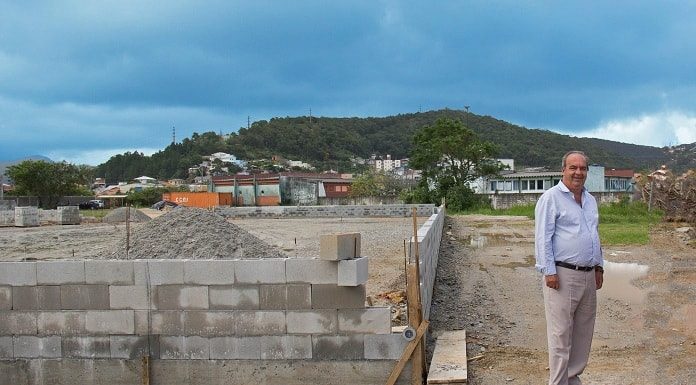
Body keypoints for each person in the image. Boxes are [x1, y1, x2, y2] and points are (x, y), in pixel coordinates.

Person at [534, 150, 604, 385]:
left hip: (587, 275)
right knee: (561, 335)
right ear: (563, 169)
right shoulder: (551, 198)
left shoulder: (590, 199)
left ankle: (572, 379)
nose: (578, 172)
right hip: (562, 275)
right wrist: (549, 271)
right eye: (573, 167)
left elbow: (593, 234)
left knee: (583, 333)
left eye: (583, 168)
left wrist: (599, 267)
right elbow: (543, 237)